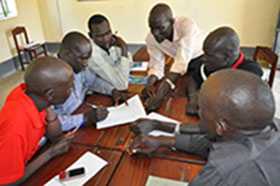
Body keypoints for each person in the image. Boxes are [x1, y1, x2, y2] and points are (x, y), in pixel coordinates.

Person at [130, 69, 280, 186]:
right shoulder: (265, 124)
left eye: (202, 109)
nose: (198, 112)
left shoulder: (222, 171)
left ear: (220, 126)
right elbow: (215, 141)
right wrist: (164, 141)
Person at [0, 57, 75, 184]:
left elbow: (56, 137)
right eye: (69, 87)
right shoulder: (15, 127)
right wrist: (50, 153)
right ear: (50, 94)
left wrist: (49, 109)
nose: (72, 89)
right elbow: (8, 182)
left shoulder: (34, 97)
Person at [55, 31, 128, 131]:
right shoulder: (49, 76)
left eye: (88, 58)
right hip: (63, 131)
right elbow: (48, 123)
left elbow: (93, 82)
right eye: (83, 58)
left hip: (80, 112)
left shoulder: (79, 67)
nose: (86, 63)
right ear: (67, 54)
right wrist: (85, 118)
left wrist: (112, 91)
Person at [185, 26, 263, 115]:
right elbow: (193, 79)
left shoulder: (250, 72)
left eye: (209, 55)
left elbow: (229, 96)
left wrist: (202, 97)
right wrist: (193, 97)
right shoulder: (211, 64)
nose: (203, 58)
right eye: (204, 52)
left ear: (226, 57)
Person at [142, 3, 206, 111]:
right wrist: (149, 83)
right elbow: (156, 65)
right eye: (152, 28)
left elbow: (181, 62)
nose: (156, 34)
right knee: (176, 92)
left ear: (172, 22)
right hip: (180, 63)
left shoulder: (186, 25)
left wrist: (159, 97)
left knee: (194, 93)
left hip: (202, 57)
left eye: (161, 28)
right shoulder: (151, 38)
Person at [87, 14, 132, 90]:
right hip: (94, 95)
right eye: (100, 36)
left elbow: (130, 63)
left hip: (111, 89)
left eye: (108, 33)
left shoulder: (113, 41)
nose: (106, 39)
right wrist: (124, 50)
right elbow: (122, 85)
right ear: (91, 36)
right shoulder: (92, 54)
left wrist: (118, 72)